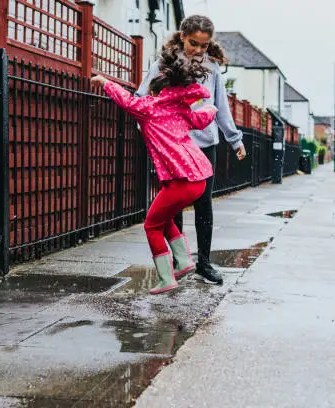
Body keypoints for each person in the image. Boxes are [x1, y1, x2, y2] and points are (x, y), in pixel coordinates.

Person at [91, 54, 217, 295]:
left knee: (151, 225)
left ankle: (166, 277)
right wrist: (211, 108)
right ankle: (183, 260)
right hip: (197, 179)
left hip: (181, 181)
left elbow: (127, 101)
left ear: (157, 92)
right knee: (163, 218)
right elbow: (202, 119)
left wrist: (105, 82)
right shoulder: (181, 109)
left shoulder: (150, 108)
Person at [135, 15, 247, 285]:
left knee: (203, 204)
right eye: (194, 43)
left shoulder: (211, 67)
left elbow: (220, 106)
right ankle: (179, 260)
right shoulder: (164, 64)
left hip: (205, 144)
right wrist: (153, 130)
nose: (198, 50)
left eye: (204, 45)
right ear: (183, 36)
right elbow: (141, 97)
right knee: (174, 205)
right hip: (174, 146)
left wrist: (235, 140)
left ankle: (204, 264)